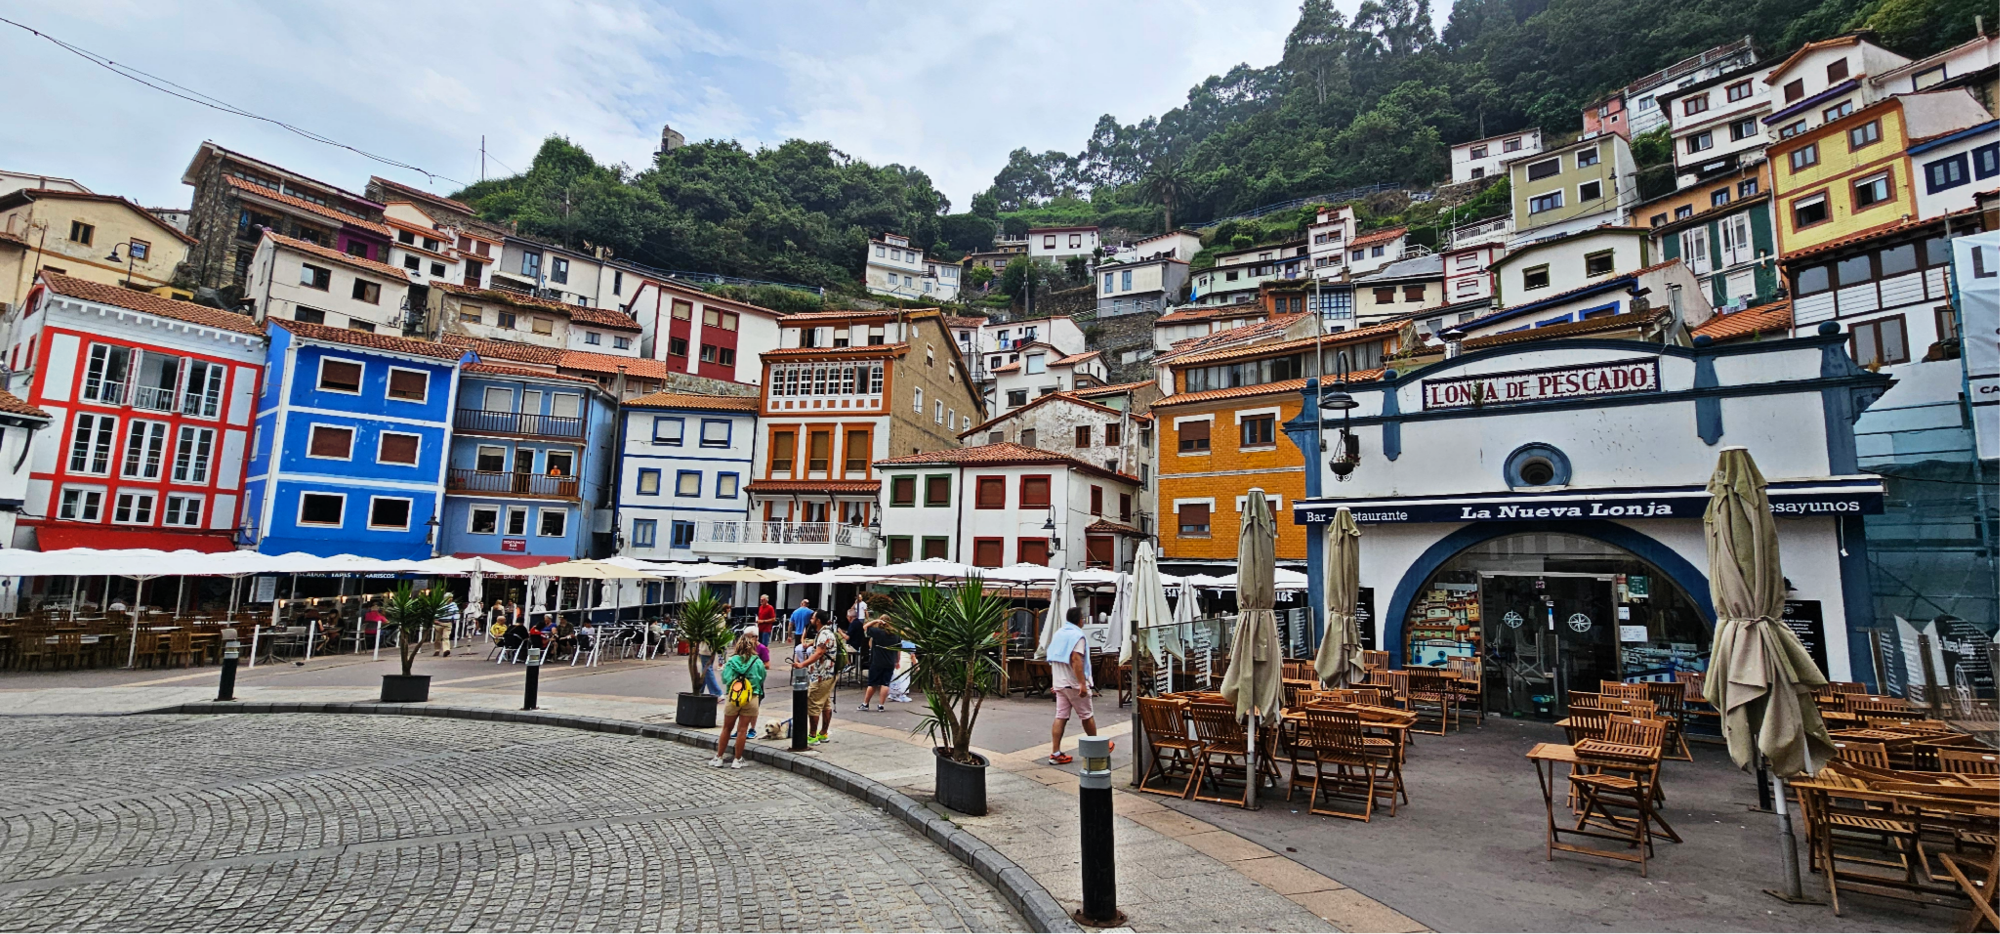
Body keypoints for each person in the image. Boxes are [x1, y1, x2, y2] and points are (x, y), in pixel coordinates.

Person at [1045, 606, 1104, 765]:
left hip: (1060, 683)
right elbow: (1076, 659)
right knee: (1087, 715)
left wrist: (1055, 682)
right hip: (1073, 684)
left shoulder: (1058, 634)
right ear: (1080, 620)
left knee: (1061, 716)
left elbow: (1053, 658)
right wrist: (1082, 684)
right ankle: (1096, 748)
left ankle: (1055, 752)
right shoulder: (1077, 636)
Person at [711, 632, 766, 769]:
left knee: (727, 728)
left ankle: (719, 757)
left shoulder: (732, 661)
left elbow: (725, 679)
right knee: (743, 730)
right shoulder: (757, 661)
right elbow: (762, 678)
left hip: (734, 697)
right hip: (751, 697)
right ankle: (737, 759)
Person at [794, 616, 839, 745]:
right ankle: (823, 733)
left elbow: (819, 653)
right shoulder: (825, 632)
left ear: (818, 620)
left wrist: (802, 664)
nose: (811, 619)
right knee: (825, 703)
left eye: (813, 617)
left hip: (822, 674)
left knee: (813, 703)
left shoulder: (824, 634)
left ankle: (812, 735)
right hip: (827, 673)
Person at [862, 615, 897, 711]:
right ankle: (881, 705)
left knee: (872, 683)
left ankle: (865, 704)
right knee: (885, 684)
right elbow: (898, 649)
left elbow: (865, 627)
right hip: (890, 661)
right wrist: (897, 661)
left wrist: (875, 621)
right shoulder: (895, 634)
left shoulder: (877, 632)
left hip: (877, 661)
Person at [432, 592, 461, 658]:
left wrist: (455, 618)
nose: (450, 599)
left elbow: (456, 613)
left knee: (446, 637)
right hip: (439, 623)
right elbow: (436, 612)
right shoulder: (440, 604)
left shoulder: (453, 605)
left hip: (448, 623)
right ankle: (437, 649)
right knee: (437, 638)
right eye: (449, 598)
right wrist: (434, 619)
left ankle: (446, 650)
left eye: (451, 598)